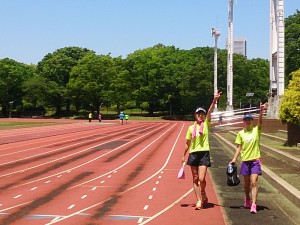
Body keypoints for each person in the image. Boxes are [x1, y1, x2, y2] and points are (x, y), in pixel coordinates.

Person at [182, 92, 222, 210]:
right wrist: (183, 155)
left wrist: (214, 100)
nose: (200, 115)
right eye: (198, 113)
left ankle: (203, 191)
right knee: (195, 178)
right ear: (195, 115)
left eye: (202, 114)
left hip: (204, 153)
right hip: (193, 153)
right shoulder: (190, 128)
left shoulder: (206, 125)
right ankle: (199, 200)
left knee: (201, 178)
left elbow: (210, 112)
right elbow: (187, 143)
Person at [230, 102, 269, 214]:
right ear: (243, 121)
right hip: (245, 161)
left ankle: (254, 204)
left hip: (255, 160)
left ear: (252, 121)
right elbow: (238, 147)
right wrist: (234, 159)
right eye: (246, 120)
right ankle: (247, 198)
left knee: (254, 182)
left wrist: (261, 111)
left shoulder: (256, 130)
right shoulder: (240, 133)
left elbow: (260, 122)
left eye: (250, 119)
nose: (248, 121)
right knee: (246, 183)